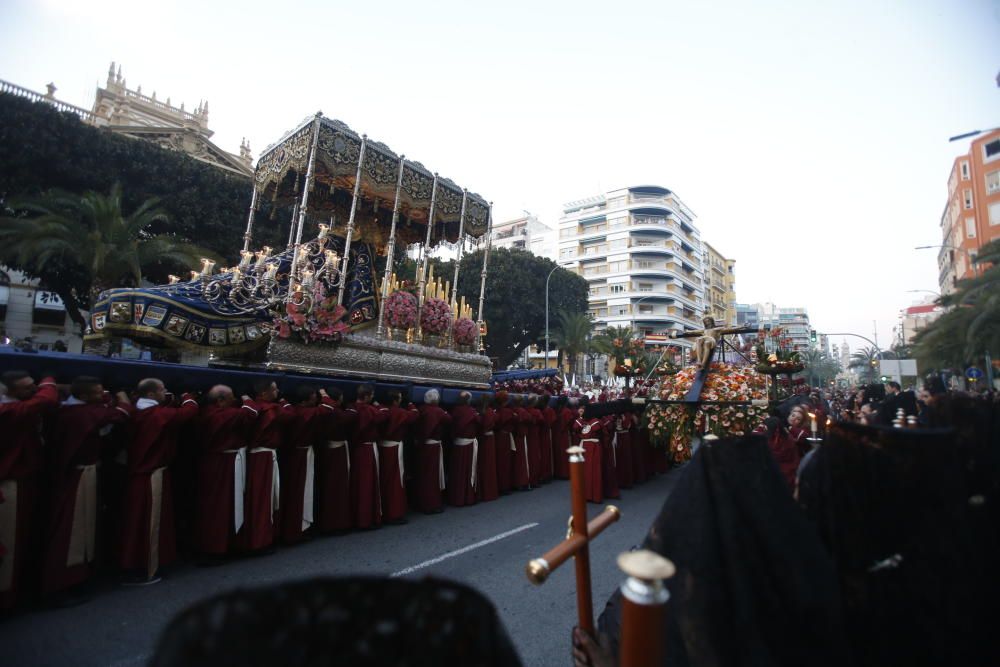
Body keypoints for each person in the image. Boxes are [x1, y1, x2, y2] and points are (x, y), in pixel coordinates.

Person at [42, 377, 131, 599]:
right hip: (79, 477)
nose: (101, 396)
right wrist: (120, 396)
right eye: (97, 393)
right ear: (83, 397)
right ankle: (63, 584)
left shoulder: (68, 410)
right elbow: (122, 413)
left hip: (74, 474)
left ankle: (77, 576)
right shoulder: (83, 413)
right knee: (72, 528)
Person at [119, 378, 198, 583]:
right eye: (163, 390)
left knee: (137, 523)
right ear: (152, 394)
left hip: (139, 474)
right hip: (150, 477)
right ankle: (144, 567)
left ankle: (137, 564)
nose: (166, 392)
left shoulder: (133, 411)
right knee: (147, 523)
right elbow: (189, 412)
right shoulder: (157, 415)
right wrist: (188, 396)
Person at [0, 370, 59, 611]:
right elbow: (47, 398)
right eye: (27, 387)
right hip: (9, 485)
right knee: (10, 539)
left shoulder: (16, 407)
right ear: (10, 392)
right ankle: (6, 599)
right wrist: (48, 378)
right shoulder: (9, 411)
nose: (33, 390)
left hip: (26, 480)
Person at [193, 384, 257, 559]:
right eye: (231, 397)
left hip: (212, 463)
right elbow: (251, 413)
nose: (234, 400)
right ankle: (216, 548)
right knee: (220, 507)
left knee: (213, 506)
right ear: (221, 400)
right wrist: (246, 397)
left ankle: (216, 545)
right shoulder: (225, 415)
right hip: (223, 464)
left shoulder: (204, 412)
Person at [242, 379, 293, 553]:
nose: (277, 391)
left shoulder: (254, 407)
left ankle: (262, 536)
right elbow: (289, 415)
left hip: (258, 456)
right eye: (274, 389)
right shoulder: (270, 409)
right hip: (263, 458)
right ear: (264, 393)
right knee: (263, 498)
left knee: (262, 497)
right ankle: (260, 540)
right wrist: (284, 402)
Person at [278, 385, 325, 545]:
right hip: (301, 456)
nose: (316, 398)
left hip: (295, 455)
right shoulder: (307, 412)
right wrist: (325, 394)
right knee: (300, 492)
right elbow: (328, 408)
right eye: (314, 395)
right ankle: (297, 528)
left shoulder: (291, 409)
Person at [314, 388, 355, 533]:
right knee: (337, 488)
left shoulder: (326, 410)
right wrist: (351, 407)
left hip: (329, 450)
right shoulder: (335, 412)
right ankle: (336, 523)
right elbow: (349, 417)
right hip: (337, 453)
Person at [349, 384, 386, 529]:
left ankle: (357, 517)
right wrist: (378, 405)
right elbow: (384, 415)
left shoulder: (351, 407)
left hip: (357, 449)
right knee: (367, 484)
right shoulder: (368, 409)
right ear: (366, 396)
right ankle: (366, 519)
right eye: (371, 396)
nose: (372, 398)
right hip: (367, 450)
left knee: (358, 483)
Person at [377, 391, 418, 524]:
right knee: (395, 482)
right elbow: (414, 415)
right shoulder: (398, 412)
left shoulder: (380, 409)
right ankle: (394, 513)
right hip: (394, 450)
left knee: (384, 479)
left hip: (382, 448)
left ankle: (383, 510)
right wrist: (411, 404)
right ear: (395, 401)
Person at [414, 389, 452, 513]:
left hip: (423, 446)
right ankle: (432, 504)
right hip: (433, 447)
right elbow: (448, 419)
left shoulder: (421, 409)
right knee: (432, 476)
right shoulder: (438, 411)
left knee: (423, 474)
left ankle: (422, 502)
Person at [447, 391, 480, 507]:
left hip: (458, 444)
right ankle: (467, 497)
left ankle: (457, 497)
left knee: (458, 472)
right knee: (467, 471)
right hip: (468, 446)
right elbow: (480, 421)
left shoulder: (454, 411)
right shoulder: (471, 411)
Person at [572, 400, 605, 503]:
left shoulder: (581, 421)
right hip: (593, 446)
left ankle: (588, 495)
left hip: (586, 446)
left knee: (587, 471)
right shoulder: (595, 421)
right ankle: (593, 495)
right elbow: (603, 433)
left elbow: (575, 430)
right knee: (593, 471)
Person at [476, 395, 499, 502]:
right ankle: (489, 492)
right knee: (489, 465)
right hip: (488, 440)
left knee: (481, 464)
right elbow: (496, 419)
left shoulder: (478, 411)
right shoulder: (489, 411)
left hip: (480, 439)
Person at [493, 391, 516, 495]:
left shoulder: (497, 410)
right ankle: (505, 486)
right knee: (505, 462)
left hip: (499, 437)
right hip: (504, 438)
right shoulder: (507, 411)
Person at [511, 396, 533, 491]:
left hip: (513, 436)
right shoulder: (522, 411)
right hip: (520, 437)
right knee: (522, 460)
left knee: (516, 460)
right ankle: (523, 482)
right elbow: (530, 419)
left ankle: (516, 482)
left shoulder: (511, 409)